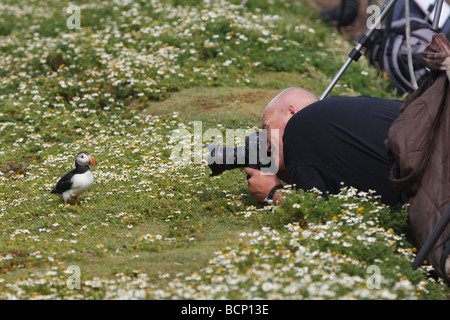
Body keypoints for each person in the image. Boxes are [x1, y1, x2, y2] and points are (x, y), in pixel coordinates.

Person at [245, 87, 404, 206]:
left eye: (267, 128)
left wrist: (273, 194)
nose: (266, 146)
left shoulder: (300, 125)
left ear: (292, 113)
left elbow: (316, 214)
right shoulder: (342, 120)